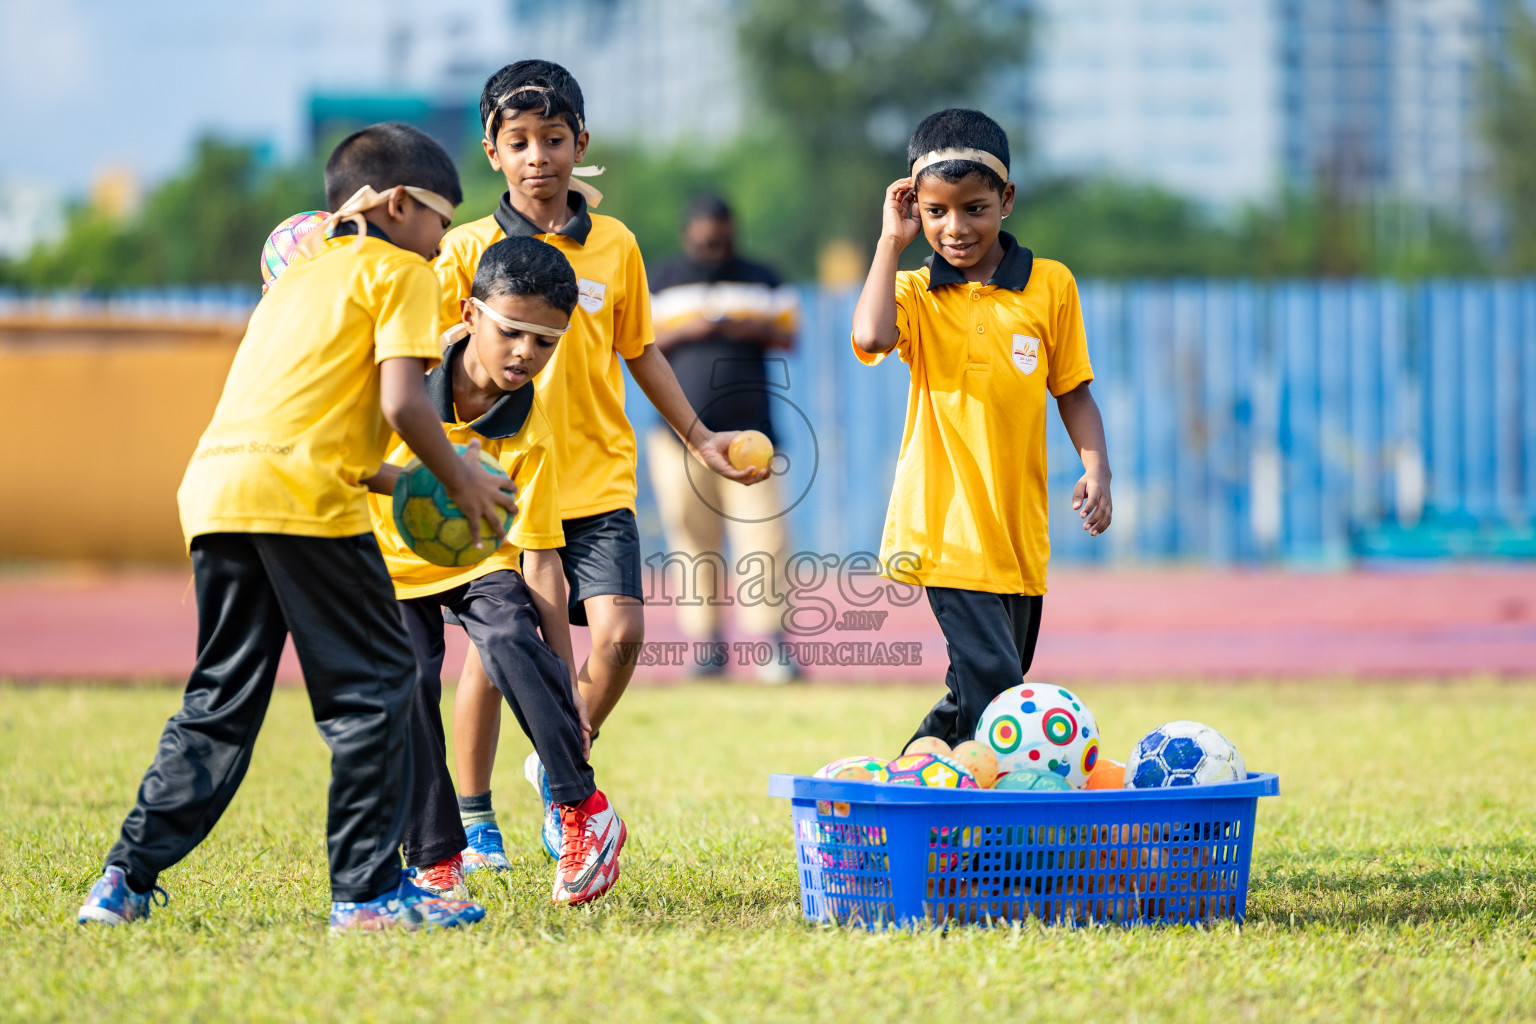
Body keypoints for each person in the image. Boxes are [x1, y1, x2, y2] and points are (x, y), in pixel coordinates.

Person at [77, 122, 509, 932]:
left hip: (218, 494)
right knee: (377, 690)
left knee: (218, 701)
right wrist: (462, 482)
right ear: (399, 204)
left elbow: (309, 427)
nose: (442, 242)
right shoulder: (400, 272)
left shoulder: (296, 284)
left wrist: (407, 486)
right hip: (302, 504)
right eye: (442, 223)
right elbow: (402, 403)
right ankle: (369, 895)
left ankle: (120, 882)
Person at [432, 60, 765, 867]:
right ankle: (475, 819)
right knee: (491, 651)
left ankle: (559, 770)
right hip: (498, 484)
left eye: (553, 138)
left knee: (620, 635)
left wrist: (697, 437)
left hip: (597, 477)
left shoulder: (614, 245)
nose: (538, 155)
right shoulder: (465, 250)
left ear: (581, 143)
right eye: (519, 142)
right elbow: (431, 359)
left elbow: (641, 348)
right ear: (493, 152)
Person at [367, 236, 624, 905]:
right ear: (469, 312)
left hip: (483, 561)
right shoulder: (406, 370)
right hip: (392, 564)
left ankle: (581, 810)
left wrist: (564, 692)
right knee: (409, 679)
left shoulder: (532, 429)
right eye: (511, 331)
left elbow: (540, 561)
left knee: (511, 637)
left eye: (545, 342)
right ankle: (434, 857)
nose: (524, 355)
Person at [850, 108, 1114, 751]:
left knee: (989, 684)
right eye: (936, 211)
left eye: (974, 208)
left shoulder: (1050, 285)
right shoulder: (915, 292)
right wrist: (890, 242)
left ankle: (914, 773)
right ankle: (982, 827)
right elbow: (869, 335)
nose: (955, 228)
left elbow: (1072, 390)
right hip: (945, 528)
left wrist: (1097, 465)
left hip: (1018, 533)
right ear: (916, 206)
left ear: (1007, 201)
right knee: (999, 690)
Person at [647, 194, 804, 683]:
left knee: (765, 538)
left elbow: (789, 332)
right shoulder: (664, 277)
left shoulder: (763, 276)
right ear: (688, 233)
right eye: (705, 234)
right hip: (678, 436)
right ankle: (708, 647)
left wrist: (735, 323)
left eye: (721, 233)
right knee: (692, 537)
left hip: (752, 434)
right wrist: (694, 327)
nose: (713, 242)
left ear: (732, 230)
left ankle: (771, 648)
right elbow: (639, 341)